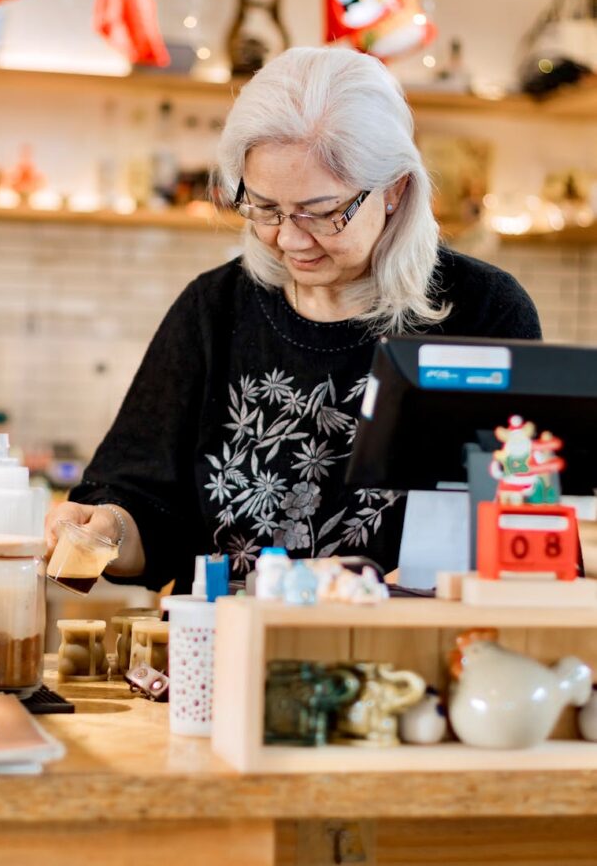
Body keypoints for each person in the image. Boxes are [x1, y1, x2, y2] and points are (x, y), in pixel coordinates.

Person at [46, 46, 541, 593]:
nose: (289, 237)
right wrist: (106, 530)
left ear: (396, 189)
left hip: (404, 660)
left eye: (322, 212)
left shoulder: (483, 312)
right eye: (265, 208)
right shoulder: (213, 311)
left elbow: (517, 516)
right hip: (224, 655)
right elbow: (147, 509)